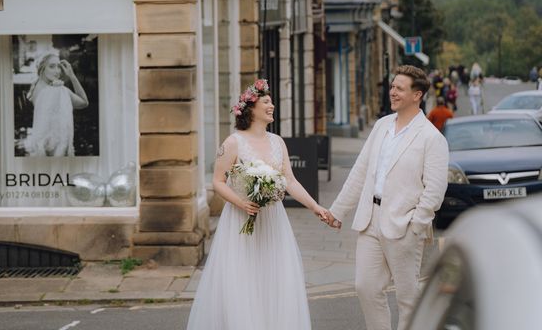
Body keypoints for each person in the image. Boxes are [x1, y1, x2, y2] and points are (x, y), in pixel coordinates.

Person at [186, 79, 330, 330]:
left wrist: (315, 207)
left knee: (273, 278)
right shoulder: (233, 142)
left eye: (271, 101)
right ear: (251, 108)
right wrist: (241, 203)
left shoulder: (277, 142)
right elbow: (218, 181)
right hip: (241, 219)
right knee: (243, 278)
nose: (272, 105)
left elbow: (290, 181)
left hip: (273, 221)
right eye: (266, 102)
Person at [324, 65, 449, 330]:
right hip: (370, 220)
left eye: (399, 88)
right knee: (366, 287)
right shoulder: (381, 126)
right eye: (392, 87)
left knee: (407, 298)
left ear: (417, 95)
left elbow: (434, 191)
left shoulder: (432, 138)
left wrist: (416, 226)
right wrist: (338, 211)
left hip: (404, 225)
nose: (392, 92)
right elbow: (361, 171)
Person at [25, 52, 89, 156]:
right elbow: (84, 102)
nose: (57, 71)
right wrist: (72, 76)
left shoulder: (36, 87)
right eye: (52, 66)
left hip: (41, 148)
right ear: (42, 68)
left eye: (59, 67)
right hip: (56, 150)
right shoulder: (57, 91)